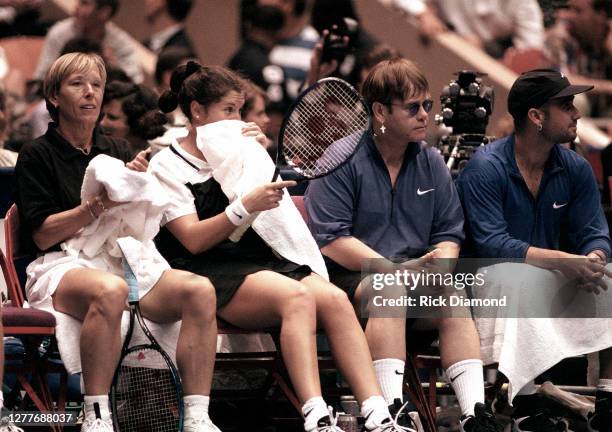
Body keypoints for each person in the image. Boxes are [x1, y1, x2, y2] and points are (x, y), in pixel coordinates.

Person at [149, 61, 409, 432]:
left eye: (239, 110)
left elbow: (272, 221)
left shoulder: (242, 151)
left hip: (259, 261)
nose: (237, 119)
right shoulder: (166, 166)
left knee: (334, 299)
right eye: (228, 110)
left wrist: (256, 159)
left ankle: (377, 413)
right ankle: (317, 415)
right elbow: (192, 239)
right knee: (297, 298)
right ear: (196, 111)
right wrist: (244, 206)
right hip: (205, 268)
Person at [14, 52, 220, 432]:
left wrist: (135, 184)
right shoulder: (36, 154)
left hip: (117, 256)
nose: (90, 93)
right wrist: (96, 206)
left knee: (200, 291)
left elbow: (134, 219)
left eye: (96, 85)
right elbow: (42, 233)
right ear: (55, 98)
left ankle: (195, 415)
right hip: (60, 265)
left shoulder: (118, 150)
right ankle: (96, 414)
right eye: (78, 84)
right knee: (111, 291)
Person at [305, 58, 501, 432]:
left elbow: (448, 232)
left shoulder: (430, 161)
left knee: (452, 293)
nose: (425, 115)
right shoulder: (340, 158)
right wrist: (393, 270)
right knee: (388, 288)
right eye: (413, 107)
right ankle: (389, 411)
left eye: (428, 105)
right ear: (379, 110)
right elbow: (332, 239)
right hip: (347, 280)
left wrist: (441, 266)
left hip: (414, 277)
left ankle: (476, 415)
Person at [457, 69, 612, 432]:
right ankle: (523, 401)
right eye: (565, 105)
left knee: (608, 278)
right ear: (536, 116)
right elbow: (492, 244)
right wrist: (563, 261)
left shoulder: (575, 167)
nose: (576, 113)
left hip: (546, 275)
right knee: (516, 278)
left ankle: (607, 397)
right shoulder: (485, 167)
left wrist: (594, 258)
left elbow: (595, 232)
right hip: (486, 278)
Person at [33, 0, 143, 84]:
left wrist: (114, 68)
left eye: (84, 3)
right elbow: (41, 77)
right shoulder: (59, 33)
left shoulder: (122, 44)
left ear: (104, 12)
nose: (76, 8)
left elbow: (136, 83)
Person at [395, 0, 545, 58]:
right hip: (436, 45)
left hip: (484, 63)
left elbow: (531, 56)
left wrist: (487, 49)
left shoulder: (525, 5)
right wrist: (423, 13)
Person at [100, 81, 168, 156]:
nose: (102, 123)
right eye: (102, 115)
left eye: (112, 118)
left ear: (136, 124)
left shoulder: (158, 161)